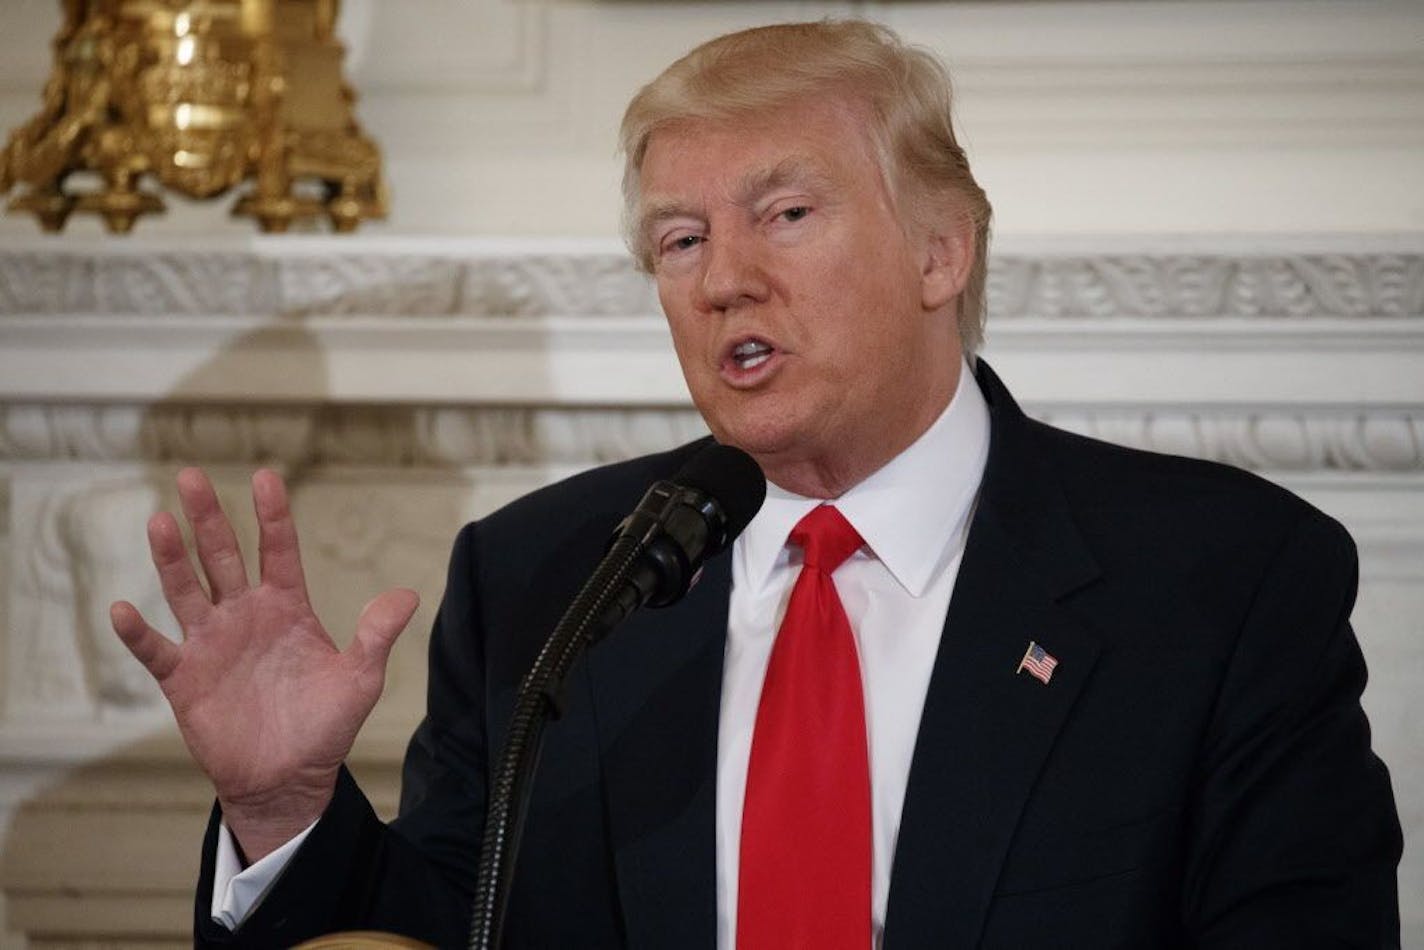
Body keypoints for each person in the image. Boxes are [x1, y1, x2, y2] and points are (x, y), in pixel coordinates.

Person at [111, 20, 1402, 949]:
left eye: (785, 214)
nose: (723, 275)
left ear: (941, 248)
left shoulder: (1224, 582)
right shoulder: (547, 582)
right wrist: (283, 812)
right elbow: (450, 930)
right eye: (681, 239)